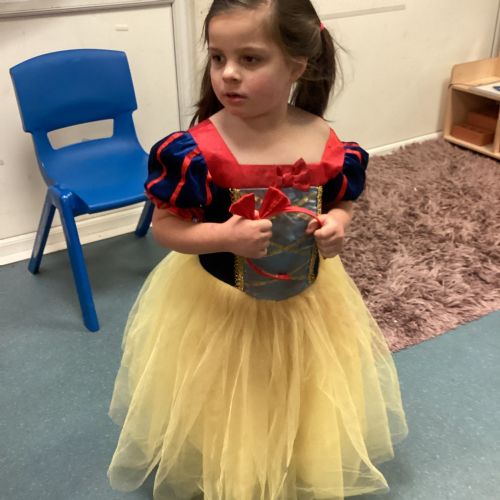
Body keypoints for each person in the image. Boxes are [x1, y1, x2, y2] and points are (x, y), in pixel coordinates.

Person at [107, 0, 408, 498]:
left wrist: (337, 223)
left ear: (297, 64)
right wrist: (224, 237)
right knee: (230, 397)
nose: (228, 74)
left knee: (299, 386)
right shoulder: (196, 151)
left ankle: (289, 456)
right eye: (218, 57)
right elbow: (166, 229)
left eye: (250, 59)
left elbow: (343, 200)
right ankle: (234, 466)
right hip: (222, 307)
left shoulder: (323, 140)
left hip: (308, 303)